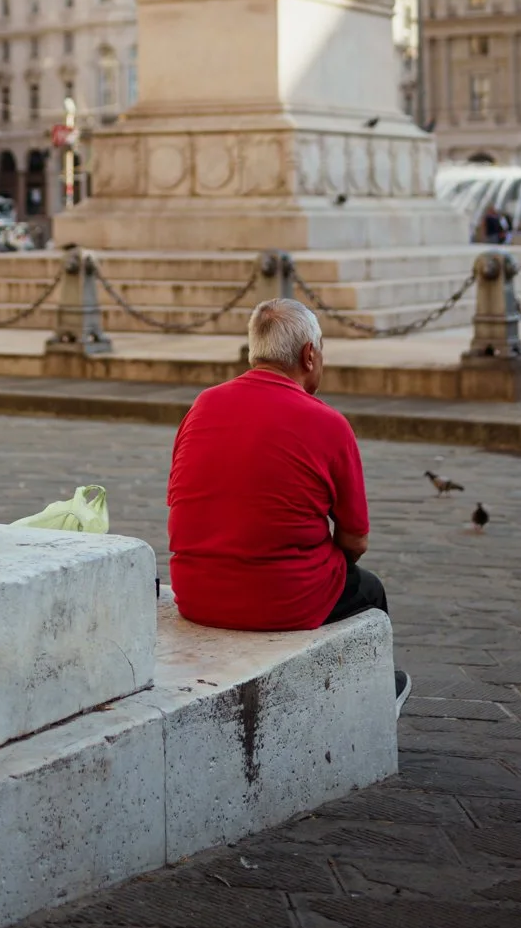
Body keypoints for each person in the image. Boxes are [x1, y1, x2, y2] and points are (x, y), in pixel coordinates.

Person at [166, 298, 409, 704]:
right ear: (309, 354)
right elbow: (355, 539)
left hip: (195, 593)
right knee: (369, 591)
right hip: (284, 600)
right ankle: (376, 700)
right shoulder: (327, 422)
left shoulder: (202, 404)